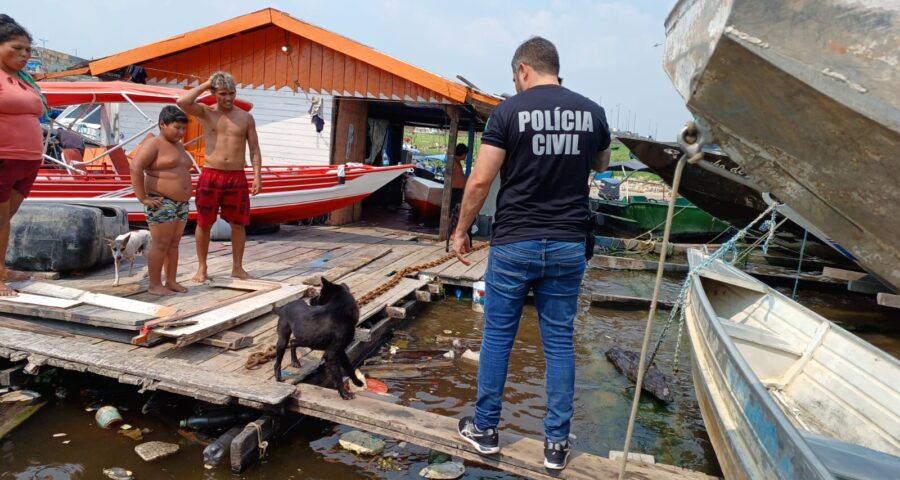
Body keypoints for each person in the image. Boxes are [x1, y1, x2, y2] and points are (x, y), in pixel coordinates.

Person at [451, 36, 611, 470]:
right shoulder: (593, 112)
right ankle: (556, 445)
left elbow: (481, 181)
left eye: (515, 77)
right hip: (567, 244)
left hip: (515, 241)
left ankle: (485, 429)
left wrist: (461, 231)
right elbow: (601, 165)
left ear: (523, 69)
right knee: (559, 343)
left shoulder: (507, 113)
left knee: (499, 337)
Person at [176, 71, 262, 282]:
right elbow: (182, 101)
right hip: (211, 174)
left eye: (232, 93)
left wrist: (257, 176)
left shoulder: (245, 117)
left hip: (236, 176)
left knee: (238, 224)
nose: (228, 98)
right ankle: (202, 268)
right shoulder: (207, 113)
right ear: (214, 93)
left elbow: (254, 149)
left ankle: (238, 268)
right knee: (204, 223)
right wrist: (206, 84)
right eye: (223, 93)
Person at [0, 15, 46, 297]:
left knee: (7, 218)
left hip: (27, 161)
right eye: (16, 48)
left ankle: (1, 268)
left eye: (28, 49)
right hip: (3, 157)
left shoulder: (24, 79)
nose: (24, 54)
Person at [130, 106, 192, 296]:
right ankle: (155, 284)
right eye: (177, 128)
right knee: (161, 244)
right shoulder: (154, 144)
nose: (181, 133)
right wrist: (142, 198)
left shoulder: (178, 144)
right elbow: (136, 167)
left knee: (174, 244)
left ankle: (171, 281)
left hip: (181, 204)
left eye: (183, 129)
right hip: (162, 202)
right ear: (162, 124)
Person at [450, 143, 468, 210]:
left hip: (458, 190)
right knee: (454, 209)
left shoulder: (457, 162)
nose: (465, 156)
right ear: (463, 154)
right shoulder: (453, 162)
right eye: (465, 154)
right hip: (454, 190)